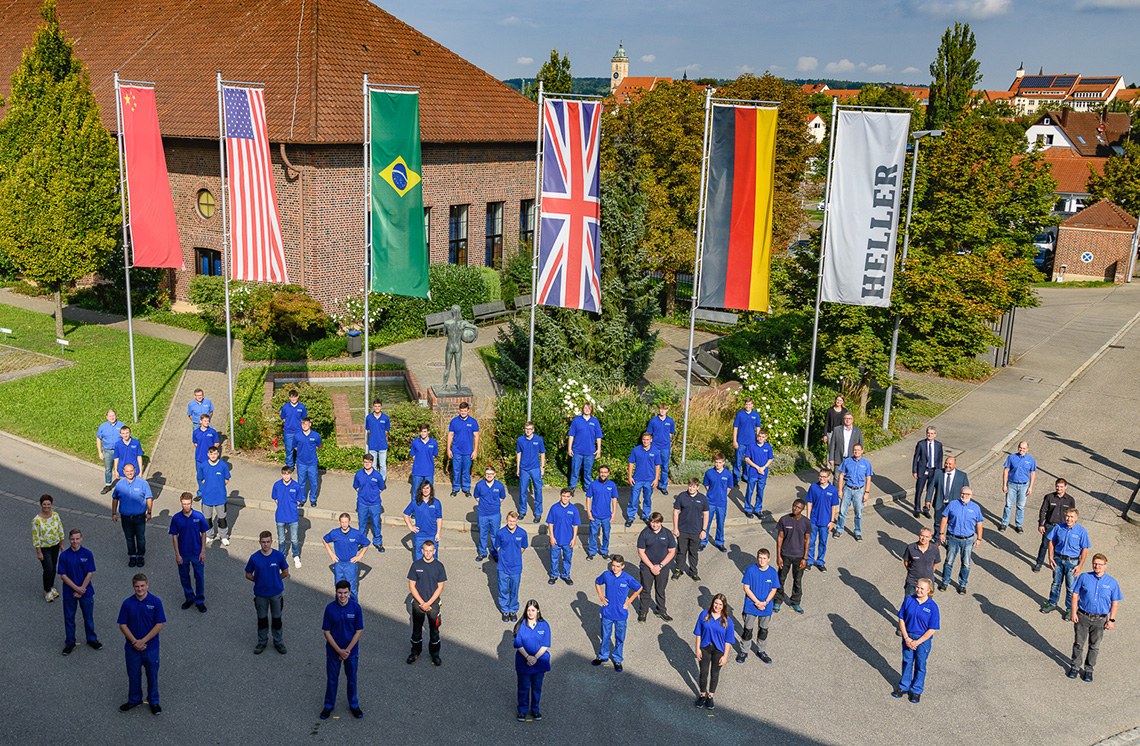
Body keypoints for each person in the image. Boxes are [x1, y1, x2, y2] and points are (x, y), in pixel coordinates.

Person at [1068, 553, 1122, 682]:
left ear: (1105, 566)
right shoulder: (1084, 577)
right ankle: (1075, 667)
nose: (1097, 566)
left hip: (1100, 619)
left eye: (1100, 564)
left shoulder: (1112, 583)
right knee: (1078, 644)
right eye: (1095, 563)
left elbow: (1115, 603)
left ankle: (1088, 670)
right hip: (1083, 616)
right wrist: (1073, 613)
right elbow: (1075, 595)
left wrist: (1112, 620)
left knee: (1094, 646)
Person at [117, 574, 165, 715]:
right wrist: (134, 642)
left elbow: (159, 624)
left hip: (150, 648)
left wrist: (143, 641)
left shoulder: (156, 602)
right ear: (133, 587)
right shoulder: (127, 603)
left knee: (152, 675)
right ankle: (134, 699)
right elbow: (123, 625)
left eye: (142, 586)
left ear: (147, 585)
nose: (140, 589)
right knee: (133, 675)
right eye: (137, 586)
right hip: (132, 649)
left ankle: (153, 701)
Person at [321, 580, 364, 720]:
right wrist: (339, 650)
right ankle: (328, 705)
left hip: (351, 652)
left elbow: (359, 631)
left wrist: (347, 651)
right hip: (334, 651)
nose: (342, 596)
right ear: (336, 592)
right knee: (332, 679)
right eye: (340, 593)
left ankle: (353, 704)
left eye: (345, 593)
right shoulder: (330, 608)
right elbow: (326, 632)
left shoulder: (356, 608)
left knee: (352, 679)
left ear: (350, 592)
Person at [893, 578, 939, 703]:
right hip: (908, 636)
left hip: (923, 640)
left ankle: (916, 690)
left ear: (928, 591)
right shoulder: (909, 600)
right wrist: (906, 637)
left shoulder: (933, 607)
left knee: (920, 665)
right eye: (917, 587)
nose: (918, 590)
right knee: (907, 661)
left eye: (922, 588)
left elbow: (932, 629)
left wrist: (917, 642)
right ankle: (904, 687)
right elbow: (901, 618)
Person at [592, 555, 641, 672]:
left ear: (622, 566)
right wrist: (601, 596)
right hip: (607, 613)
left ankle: (617, 659)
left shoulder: (627, 578)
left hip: (620, 615)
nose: (615, 568)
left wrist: (629, 601)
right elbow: (597, 582)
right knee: (605, 636)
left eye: (618, 566)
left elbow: (639, 588)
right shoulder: (606, 575)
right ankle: (603, 656)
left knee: (620, 637)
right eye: (613, 565)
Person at [245, 530, 289, 655]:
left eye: (268, 542)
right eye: (263, 542)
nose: (265, 545)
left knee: (277, 620)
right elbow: (248, 574)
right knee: (262, 620)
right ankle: (262, 641)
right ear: (259, 543)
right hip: (260, 595)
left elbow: (285, 572)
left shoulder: (278, 556)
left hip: (276, 594)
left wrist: (274, 580)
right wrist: (258, 581)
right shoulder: (254, 558)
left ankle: (278, 642)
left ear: (272, 542)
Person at [58, 528, 102, 655]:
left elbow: (90, 573)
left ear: (81, 539)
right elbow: (63, 575)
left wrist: (82, 588)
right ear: (69, 540)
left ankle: (92, 639)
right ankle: (70, 642)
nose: (75, 541)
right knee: (69, 618)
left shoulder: (87, 554)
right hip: (69, 592)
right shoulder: (64, 556)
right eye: (72, 539)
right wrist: (76, 589)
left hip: (86, 592)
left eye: (77, 539)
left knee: (88, 616)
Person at [1041, 507, 1090, 616]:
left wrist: (1080, 566)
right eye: (1067, 516)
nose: (1069, 519)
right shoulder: (1058, 528)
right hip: (1058, 559)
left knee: (1071, 587)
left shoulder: (1082, 531)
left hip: (1072, 562)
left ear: (1076, 518)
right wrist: (1050, 557)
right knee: (1055, 583)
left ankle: (1069, 609)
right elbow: (1051, 542)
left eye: (1072, 517)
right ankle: (1052, 603)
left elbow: (1085, 549)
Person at [407, 540, 446, 667]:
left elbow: (440, 587)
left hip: (433, 605)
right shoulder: (416, 565)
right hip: (418, 604)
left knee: (434, 631)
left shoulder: (439, 566)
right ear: (422, 551)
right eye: (426, 550)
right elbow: (412, 586)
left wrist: (428, 603)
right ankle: (415, 651)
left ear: (434, 551)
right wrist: (422, 603)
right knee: (416, 629)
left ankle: (435, 654)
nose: (428, 553)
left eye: (430, 551)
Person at [736, 548, 779, 664]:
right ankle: (744, 651)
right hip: (751, 606)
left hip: (766, 607)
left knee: (763, 630)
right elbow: (746, 588)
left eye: (764, 558)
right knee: (747, 630)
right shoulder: (750, 570)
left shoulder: (773, 572)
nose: (762, 560)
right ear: (757, 558)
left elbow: (774, 589)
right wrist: (757, 602)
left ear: (768, 559)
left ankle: (761, 651)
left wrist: (765, 602)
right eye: (760, 558)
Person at [938, 486, 983, 594]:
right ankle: (945, 582)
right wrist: (941, 533)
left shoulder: (975, 507)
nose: (964, 496)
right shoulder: (952, 504)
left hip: (968, 540)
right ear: (960, 494)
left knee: (966, 563)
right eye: (963, 493)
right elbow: (944, 519)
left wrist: (979, 539)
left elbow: (979, 524)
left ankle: (962, 584)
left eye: (967, 494)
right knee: (948, 562)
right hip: (953, 538)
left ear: (971, 496)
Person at [693, 593, 735, 710]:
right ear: (712, 603)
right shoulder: (704, 615)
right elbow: (698, 633)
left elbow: (728, 640)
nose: (717, 606)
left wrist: (725, 656)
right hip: (705, 648)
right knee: (704, 672)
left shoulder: (727, 621)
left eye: (720, 604)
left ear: (724, 606)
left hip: (718, 650)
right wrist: (697, 649)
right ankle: (702, 695)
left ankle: (710, 696)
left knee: (715, 673)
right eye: (716, 603)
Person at [168, 493, 209, 613]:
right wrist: (177, 554)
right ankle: (189, 597)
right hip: (183, 554)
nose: (186, 506)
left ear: (192, 503)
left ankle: (200, 600)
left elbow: (204, 533)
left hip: (197, 553)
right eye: (184, 504)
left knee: (199, 577)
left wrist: (203, 551)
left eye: (188, 504)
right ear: (181, 503)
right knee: (184, 577)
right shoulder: (176, 518)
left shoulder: (199, 516)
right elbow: (174, 536)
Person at [514, 599, 551, 722]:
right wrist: (527, 657)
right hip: (523, 662)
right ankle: (522, 710)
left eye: (533, 610)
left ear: (538, 611)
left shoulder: (544, 625)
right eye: (529, 610)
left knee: (536, 687)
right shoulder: (520, 625)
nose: (530, 613)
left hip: (539, 663)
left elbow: (545, 644)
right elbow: (518, 644)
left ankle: (535, 709)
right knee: (523, 687)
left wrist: (535, 657)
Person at [636, 512, 677, 623]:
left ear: (661, 523)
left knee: (660, 590)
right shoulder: (644, 533)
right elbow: (641, 552)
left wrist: (660, 566)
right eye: (653, 522)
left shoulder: (667, 534)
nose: (654, 525)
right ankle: (643, 611)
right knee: (645, 590)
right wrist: (651, 567)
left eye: (657, 523)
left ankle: (661, 611)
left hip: (662, 567)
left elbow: (672, 552)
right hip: (646, 567)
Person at [111, 463, 152, 567]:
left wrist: (149, 512)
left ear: (135, 470)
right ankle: (132, 556)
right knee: (129, 537)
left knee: (140, 537)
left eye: (131, 471)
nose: (129, 473)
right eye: (127, 471)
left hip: (139, 517)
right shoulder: (120, 484)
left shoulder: (143, 483)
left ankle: (141, 556)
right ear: (123, 472)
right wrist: (114, 513)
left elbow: (149, 498)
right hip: (125, 518)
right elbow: (115, 498)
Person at [323, 514, 371, 601]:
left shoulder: (356, 534)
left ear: (349, 522)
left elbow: (366, 543)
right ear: (340, 522)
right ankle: (338, 607)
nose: (344, 524)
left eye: (346, 522)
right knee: (338, 587)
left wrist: (360, 555)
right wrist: (331, 553)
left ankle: (353, 607)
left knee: (351, 587)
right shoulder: (335, 533)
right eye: (342, 522)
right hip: (339, 563)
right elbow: (324, 540)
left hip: (351, 564)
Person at [901, 529, 940, 636]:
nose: (924, 539)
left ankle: (922, 627)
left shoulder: (935, 549)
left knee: (926, 607)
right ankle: (904, 626)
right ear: (919, 535)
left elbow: (936, 563)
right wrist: (912, 572)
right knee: (908, 605)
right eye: (922, 536)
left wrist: (929, 574)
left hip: (928, 583)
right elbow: (906, 562)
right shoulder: (911, 548)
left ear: (930, 538)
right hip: (912, 581)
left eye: (927, 537)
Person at [774, 499, 810, 613]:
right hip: (785, 555)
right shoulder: (784, 520)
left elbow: (807, 540)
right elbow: (779, 538)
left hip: (799, 557)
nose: (795, 509)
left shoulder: (806, 522)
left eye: (799, 508)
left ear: (802, 509)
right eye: (794, 506)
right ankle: (778, 600)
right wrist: (778, 556)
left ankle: (795, 602)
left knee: (797, 580)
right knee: (780, 579)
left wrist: (805, 558)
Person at [493, 511, 529, 621]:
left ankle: (513, 610)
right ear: (506, 520)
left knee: (514, 589)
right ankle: (505, 610)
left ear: (517, 521)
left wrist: (515, 555)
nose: (511, 523)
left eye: (513, 521)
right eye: (509, 521)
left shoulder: (522, 533)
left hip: (516, 567)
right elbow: (497, 547)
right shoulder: (500, 533)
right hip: (503, 567)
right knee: (503, 589)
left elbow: (523, 547)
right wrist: (505, 556)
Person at [672, 479, 709, 582]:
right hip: (682, 530)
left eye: (693, 487)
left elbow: (706, 514)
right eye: (690, 486)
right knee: (681, 552)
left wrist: (704, 530)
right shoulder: (681, 496)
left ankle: (693, 572)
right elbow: (676, 512)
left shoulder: (702, 498)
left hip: (696, 531)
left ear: (697, 487)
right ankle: (678, 570)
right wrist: (675, 528)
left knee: (693, 553)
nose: (691, 489)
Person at [1035, 477, 1075, 573]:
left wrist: (1072, 527)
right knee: (1044, 545)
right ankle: (1039, 563)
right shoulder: (1049, 497)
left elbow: (1072, 515)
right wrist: (1041, 524)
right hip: (1049, 525)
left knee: (1059, 546)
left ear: (1066, 487)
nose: (1059, 489)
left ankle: (1056, 565)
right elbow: (1043, 510)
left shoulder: (1070, 500)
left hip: (1062, 527)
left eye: (1061, 487)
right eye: (1057, 486)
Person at [836, 444, 873, 541]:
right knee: (842, 511)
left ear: (862, 451)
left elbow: (868, 479)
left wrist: (867, 492)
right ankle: (839, 529)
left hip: (859, 491)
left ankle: (857, 532)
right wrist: (839, 490)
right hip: (847, 489)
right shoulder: (847, 461)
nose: (856, 452)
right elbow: (841, 476)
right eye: (855, 450)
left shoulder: (866, 463)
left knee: (858, 513)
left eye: (858, 450)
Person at [805, 469, 839, 571]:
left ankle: (820, 562)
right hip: (814, 520)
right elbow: (809, 503)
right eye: (820, 476)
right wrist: (808, 518)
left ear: (829, 477)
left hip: (825, 521)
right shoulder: (813, 487)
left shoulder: (833, 490)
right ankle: (809, 561)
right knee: (811, 541)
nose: (821, 478)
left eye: (824, 477)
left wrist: (832, 521)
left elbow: (834, 506)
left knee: (823, 542)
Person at [33, 494, 65, 602]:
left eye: (48, 504)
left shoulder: (55, 515)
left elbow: (60, 529)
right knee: (48, 569)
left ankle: (51, 587)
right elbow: (36, 537)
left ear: (51, 504)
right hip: (44, 548)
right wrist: (39, 552)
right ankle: (47, 590)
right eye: (44, 504)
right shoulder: (36, 520)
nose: (46, 506)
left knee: (53, 568)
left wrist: (61, 544)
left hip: (55, 545)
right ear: (41, 505)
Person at [546, 487, 581, 585]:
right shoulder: (554, 508)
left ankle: (566, 575)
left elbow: (576, 525)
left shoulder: (574, 509)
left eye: (567, 496)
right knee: (554, 558)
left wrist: (574, 538)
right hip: (556, 539)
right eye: (563, 496)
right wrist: (551, 537)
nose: (565, 498)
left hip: (568, 539)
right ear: (560, 496)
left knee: (567, 559)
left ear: (570, 497)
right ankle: (554, 575)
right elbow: (550, 523)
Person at [271, 466, 304, 568]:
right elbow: (275, 498)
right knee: (281, 539)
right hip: (280, 516)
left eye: (288, 474)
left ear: (291, 474)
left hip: (293, 517)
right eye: (284, 474)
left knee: (294, 539)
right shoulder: (277, 485)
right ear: (282, 474)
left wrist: (292, 507)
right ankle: (281, 557)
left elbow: (299, 500)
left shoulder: (296, 486)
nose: (286, 476)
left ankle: (296, 556)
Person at [1001, 440, 1037, 533]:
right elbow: (1006, 470)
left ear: (1027, 449)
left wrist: (1031, 487)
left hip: (1024, 486)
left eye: (1024, 448)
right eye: (1020, 448)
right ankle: (1004, 523)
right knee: (1008, 505)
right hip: (1012, 484)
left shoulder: (1031, 460)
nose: (1022, 449)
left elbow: (1032, 473)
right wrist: (1004, 485)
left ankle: (1019, 525)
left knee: (1020, 506)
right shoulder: (1011, 457)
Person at [626, 432, 661, 527]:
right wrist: (630, 476)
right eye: (644, 439)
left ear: (651, 440)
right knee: (634, 499)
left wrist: (656, 479)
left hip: (649, 480)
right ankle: (630, 517)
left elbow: (658, 466)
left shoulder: (655, 451)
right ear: (642, 440)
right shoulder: (636, 450)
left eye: (647, 439)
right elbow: (631, 463)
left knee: (647, 499)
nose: (645, 441)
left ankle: (646, 516)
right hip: (637, 479)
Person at [198, 446, 231, 546]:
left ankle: (224, 536)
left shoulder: (223, 465)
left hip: (220, 497)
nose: (213, 456)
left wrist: (218, 486)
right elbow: (201, 479)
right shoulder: (203, 466)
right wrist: (209, 486)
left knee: (222, 518)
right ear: (208, 454)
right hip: (207, 497)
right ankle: (209, 535)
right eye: (211, 454)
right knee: (207, 518)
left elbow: (226, 479)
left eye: (215, 453)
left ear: (218, 454)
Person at [353, 454, 385, 553]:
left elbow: (381, 488)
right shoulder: (358, 474)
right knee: (362, 523)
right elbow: (356, 487)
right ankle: (361, 542)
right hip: (362, 503)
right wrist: (363, 494)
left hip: (374, 504)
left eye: (369, 462)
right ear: (363, 462)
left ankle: (377, 542)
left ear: (373, 463)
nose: (367, 464)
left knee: (376, 523)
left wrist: (373, 495)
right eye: (365, 462)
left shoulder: (377, 475)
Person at [931, 456, 969, 541]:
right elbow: (931, 487)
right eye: (946, 463)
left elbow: (966, 491)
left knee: (951, 523)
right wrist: (928, 500)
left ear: (955, 465)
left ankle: (948, 539)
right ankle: (937, 538)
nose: (947, 465)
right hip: (940, 502)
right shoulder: (938, 473)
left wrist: (965, 504)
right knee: (938, 521)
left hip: (954, 504)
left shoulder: (962, 476)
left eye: (950, 464)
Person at [474, 466, 507, 561]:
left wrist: (493, 505)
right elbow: (476, 497)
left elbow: (502, 498)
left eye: (491, 474)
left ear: (495, 474)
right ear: (485, 474)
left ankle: (495, 553)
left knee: (495, 535)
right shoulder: (479, 485)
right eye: (487, 474)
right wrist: (484, 505)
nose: (489, 476)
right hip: (482, 514)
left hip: (495, 514)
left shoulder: (499, 485)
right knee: (483, 534)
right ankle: (482, 552)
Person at [403, 480, 443, 560]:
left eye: (427, 488)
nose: (425, 490)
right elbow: (405, 514)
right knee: (418, 558)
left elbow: (439, 518)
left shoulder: (436, 502)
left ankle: (432, 573)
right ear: (420, 490)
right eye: (423, 488)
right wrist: (411, 527)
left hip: (432, 535)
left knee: (433, 558)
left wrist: (438, 533)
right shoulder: (415, 502)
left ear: (431, 489)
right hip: (419, 535)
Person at [586, 465, 619, 560]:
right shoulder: (593, 484)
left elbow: (614, 498)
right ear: (599, 473)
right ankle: (591, 552)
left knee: (606, 534)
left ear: (608, 473)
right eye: (601, 472)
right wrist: (589, 512)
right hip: (595, 515)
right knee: (593, 534)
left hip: (607, 516)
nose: (603, 474)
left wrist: (614, 512)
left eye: (605, 472)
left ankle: (604, 551)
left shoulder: (612, 485)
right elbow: (588, 498)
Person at [447, 402, 480, 497]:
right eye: (462, 411)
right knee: (456, 470)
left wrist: (475, 450)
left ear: (468, 410)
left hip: (468, 452)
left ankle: (466, 489)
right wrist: (448, 449)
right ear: (459, 410)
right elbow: (450, 435)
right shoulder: (454, 421)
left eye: (465, 411)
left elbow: (476, 436)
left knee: (466, 471)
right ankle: (455, 488)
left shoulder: (473, 422)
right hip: (456, 451)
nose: (463, 412)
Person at [567, 402, 603, 490]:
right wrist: (569, 448)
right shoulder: (576, 420)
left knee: (588, 472)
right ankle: (572, 487)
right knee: (575, 471)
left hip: (590, 452)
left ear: (591, 410)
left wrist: (599, 450)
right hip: (577, 451)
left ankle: (587, 487)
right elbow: (571, 435)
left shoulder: (595, 421)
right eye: (585, 408)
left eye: (589, 408)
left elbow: (598, 437)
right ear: (582, 409)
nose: (587, 409)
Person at [515, 422, 546, 522]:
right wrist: (518, 468)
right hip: (524, 469)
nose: (528, 431)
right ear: (524, 429)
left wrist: (542, 467)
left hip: (535, 468)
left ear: (533, 430)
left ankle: (538, 513)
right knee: (523, 491)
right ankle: (522, 511)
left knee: (538, 490)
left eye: (530, 429)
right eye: (526, 429)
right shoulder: (520, 439)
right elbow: (518, 453)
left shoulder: (538, 439)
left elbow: (542, 453)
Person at [702, 454, 733, 552]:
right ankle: (703, 541)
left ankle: (719, 542)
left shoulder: (728, 474)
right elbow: (706, 485)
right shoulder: (709, 473)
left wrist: (723, 495)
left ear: (723, 462)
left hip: (721, 503)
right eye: (716, 462)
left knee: (720, 523)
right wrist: (712, 494)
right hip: (710, 502)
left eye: (720, 462)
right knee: (706, 523)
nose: (717, 464)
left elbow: (729, 487)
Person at [911, 427, 943, 518]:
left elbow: (940, 459)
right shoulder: (921, 444)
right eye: (928, 433)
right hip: (923, 470)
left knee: (930, 491)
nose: (930, 435)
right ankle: (917, 508)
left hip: (934, 471)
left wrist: (939, 472)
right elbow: (916, 458)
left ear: (935, 435)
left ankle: (926, 509)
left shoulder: (938, 445)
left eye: (932, 433)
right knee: (919, 490)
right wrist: (915, 471)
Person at [741, 430, 774, 519]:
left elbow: (770, 459)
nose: (760, 438)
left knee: (760, 492)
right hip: (753, 473)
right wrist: (757, 467)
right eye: (759, 436)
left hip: (763, 473)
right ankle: (748, 509)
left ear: (766, 438)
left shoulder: (768, 446)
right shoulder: (751, 446)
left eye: (763, 437)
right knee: (749, 491)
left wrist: (763, 468)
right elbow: (747, 458)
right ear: (757, 436)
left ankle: (757, 510)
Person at [646, 402, 676, 495]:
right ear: (658, 410)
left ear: (667, 410)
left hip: (665, 447)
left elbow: (671, 433)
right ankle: (651, 484)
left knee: (664, 466)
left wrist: (666, 440)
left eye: (664, 409)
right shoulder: (653, 421)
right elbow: (649, 433)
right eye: (661, 409)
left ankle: (663, 486)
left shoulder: (670, 421)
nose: (662, 411)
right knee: (652, 465)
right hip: (655, 446)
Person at [732, 396, 761, 480]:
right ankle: (736, 479)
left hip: (751, 442)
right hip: (740, 442)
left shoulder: (756, 415)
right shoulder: (740, 414)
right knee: (738, 461)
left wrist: (758, 440)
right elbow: (735, 428)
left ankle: (746, 477)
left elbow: (758, 427)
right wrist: (735, 441)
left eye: (749, 404)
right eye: (746, 404)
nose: (748, 406)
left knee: (749, 462)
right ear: (744, 405)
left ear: (752, 405)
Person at [296, 417, 322, 507]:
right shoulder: (297, 435)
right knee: (301, 482)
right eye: (303, 424)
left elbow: (318, 446)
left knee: (313, 482)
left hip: (312, 463)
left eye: (306, 424)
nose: (305, 426)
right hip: (301, 463)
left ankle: (313, 499)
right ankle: (302, 499)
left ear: (310, 424)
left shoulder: (316, 435)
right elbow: (295, 447)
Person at [191, 414, 220, 496]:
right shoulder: (196, 432)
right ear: (200, 421)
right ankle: (201, 493)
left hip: (210, 459)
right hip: (199, 458)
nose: (207, 422)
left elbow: (217, 443)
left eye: (208, 420)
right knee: (200, 476)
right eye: (205, 420)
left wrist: (212, 452)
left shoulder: (213, 432)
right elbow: (195, 443)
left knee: (210, 475)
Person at [279, 389, 307, 469]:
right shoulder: (285, 407)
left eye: (295, 397)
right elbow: (283, 418)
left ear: (298, 397)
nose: (293, 399)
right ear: (289, 398)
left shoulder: (302, 407)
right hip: (289, 432)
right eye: (291, 397)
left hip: (299, 432)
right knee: (289, 449)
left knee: (300, 449)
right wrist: (289, 425)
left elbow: (304, 420)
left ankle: (300, 465)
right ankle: (290, 466)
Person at [364, 398, 390, 481]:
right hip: (372, 445)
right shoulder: (369, 418)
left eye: (379, 406)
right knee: (373, 465)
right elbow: (368, 430)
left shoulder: (385, 418)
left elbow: (386, 431)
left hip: (382, 445)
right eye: (375, 406)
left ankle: (382, 481)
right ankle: (374, 480)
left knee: (382, 465)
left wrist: (380, 437)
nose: (377, 408)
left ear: (381, 407)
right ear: (373, 407)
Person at [410, 423, 438, 496]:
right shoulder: (415, 442)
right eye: (421, 431)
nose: (423, 433)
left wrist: (427, 461)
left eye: (425, 431)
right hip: (417, 471)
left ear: (428, 432)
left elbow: (434, 455)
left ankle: (428, 505)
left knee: (429, 491)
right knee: (416, 491)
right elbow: (413, 455)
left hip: (429, 471)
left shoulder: (434, 443)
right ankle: (415, 506)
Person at [96, 410, 121, 494]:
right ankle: (108, 485)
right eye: (110, 416)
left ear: (116, 416)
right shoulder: (102, 426)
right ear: (107, 417)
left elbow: (127, 437)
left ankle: (121, 486)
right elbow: (98, 438)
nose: (112, 417)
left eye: (113, 415)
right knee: (108, 469)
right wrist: (100, 452)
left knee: (120, 468)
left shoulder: (121, 425)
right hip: (107, 451)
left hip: (119, 451)